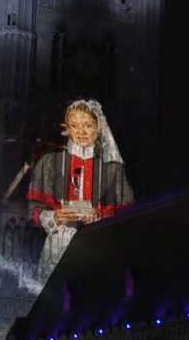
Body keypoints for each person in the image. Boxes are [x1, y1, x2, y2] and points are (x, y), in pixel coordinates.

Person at [28, 99, 134, 279]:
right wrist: (55, 216)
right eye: (75, 125)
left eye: (87, 125)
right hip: (58, 245)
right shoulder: (50, 163)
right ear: (67, 128)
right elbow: (34, 210)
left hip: (96, 244)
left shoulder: (110, 168)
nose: (81, 132)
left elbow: (126, 213)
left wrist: (99, 216)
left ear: (98, 127)